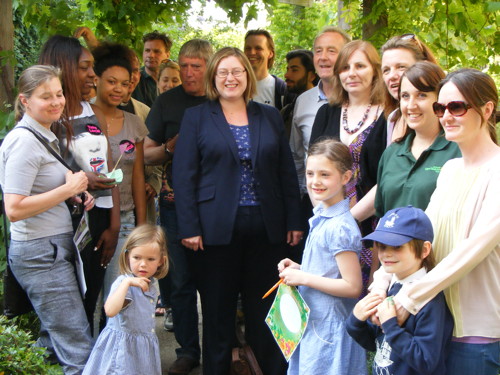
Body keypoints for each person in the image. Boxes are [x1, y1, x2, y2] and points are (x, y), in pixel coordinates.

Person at [173, 47, 302, 375]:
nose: (231, 78)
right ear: (213, 79)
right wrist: (188, 227)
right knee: (218, 315)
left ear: (248, 75)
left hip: (268, 228)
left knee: (267, 314)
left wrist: (293, 220)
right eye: (223, 73)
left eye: (237, 72)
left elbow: (286, 171)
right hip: (214, 231)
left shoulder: (269, 115)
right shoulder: (197, 117)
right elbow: (184, 175)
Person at [372, 68, 500, 375]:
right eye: (441, 108)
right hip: (431, 325)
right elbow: (416, 241)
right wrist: (380, 286)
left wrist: (406, 298)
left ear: (487, 109)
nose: (446, 116)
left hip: (474, 333)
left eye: (457, 107)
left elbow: (470, 253)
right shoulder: (451, 169)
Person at [0, 65, 94, 374]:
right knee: (77, 348)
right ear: (25, 101)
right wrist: (67, 189)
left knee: (53, 345)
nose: (56, 102)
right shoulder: (25, 142)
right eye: (45, 97)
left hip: (51, 247)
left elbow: (42, 190)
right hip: (41, 252)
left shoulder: (45, 135)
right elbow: (14, 208)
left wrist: (74, 195)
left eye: (59, 94)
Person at [38, 35, 120, 332]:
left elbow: (108, 169)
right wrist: (83, 181)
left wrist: (113, 225)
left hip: (98, 222)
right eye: (85, 67)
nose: (93, 75)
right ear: (63, 69)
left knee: (89, 300)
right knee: (66, 311)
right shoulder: (46, 118)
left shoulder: (90, 111)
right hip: (64, 226)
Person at [144, 39, 213, 375]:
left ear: (209, 67)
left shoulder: (223, 99)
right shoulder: (167, 102)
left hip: (217, 206)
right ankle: (188, 351)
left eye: (195, 66)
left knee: (218, 282)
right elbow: (146, 154)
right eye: (183, 65)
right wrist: (170, 149)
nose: (187, 73)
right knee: (182, 282)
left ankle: (221, 348)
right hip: (174, 205)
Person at [278, 139, 366, 375]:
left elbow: (352, 286)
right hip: (315, 323)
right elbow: (329, 269)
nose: (315, 181)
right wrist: (300, 267)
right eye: (310, 173)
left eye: (325, 174)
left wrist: (303, 278)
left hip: (329, 330)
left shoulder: (339, 227)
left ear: (346, 177)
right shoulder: (323, 215)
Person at [309, 40, 387, 291]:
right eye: (345, 67)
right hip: (328, 226)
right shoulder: (327, 113)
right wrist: (329, 220)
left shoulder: (389, 116)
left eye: (360, 66)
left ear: (375, 70)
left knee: (364, 299)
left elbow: (388, 178)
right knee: (327, 292)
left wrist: (347, 220)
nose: (351, 73)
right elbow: (314, 172)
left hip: (372, 225)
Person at [347, 206, 453, 375]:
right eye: (381, 246)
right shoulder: (389, 287)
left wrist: (391, 326)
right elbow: (376, 342)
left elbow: (426, 361)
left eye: (397, 247)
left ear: (424, 250)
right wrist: (355, 321)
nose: (386, 254)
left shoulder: (429, 299)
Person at [352, 62, 461, 222]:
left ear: (440, 100)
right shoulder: (392, 153)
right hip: (391, 246)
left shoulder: (458, 150)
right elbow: (382, 216)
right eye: (405, 96)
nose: (411, 105)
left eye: (421, 95)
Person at [92, 42, 148, 302]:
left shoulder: (134, 123)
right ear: (97, 80)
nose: (119, 89)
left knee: (118, 297)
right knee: (88, 295)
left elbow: (138, 176)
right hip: (90, 218)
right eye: (112, 81)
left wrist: (141, 226)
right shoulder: (81, 118)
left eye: (125, 84)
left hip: (125, 217)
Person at [289, 27, 350, 261]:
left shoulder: (361, 99)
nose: (323, 57)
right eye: (318, 51)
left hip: (356, 206)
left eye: (331, 51)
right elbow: (297, 158)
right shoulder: (303, 101)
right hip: (314, 204)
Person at [83, 224, 169, 375]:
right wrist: (126, 283)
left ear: (161, 261)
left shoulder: (151, 286)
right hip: (123, 354)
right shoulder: (125, 283)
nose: (143, 264)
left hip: (141, 354)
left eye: (150, 259)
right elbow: (110, 310)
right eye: (137, 257)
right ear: (127, 256)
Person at [380, 34, 437, 143]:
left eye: (401, 67)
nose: (392, 76)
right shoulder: (392, 118)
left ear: (424, 66)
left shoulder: (446, 116)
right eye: (386, 70)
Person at [243, 29, 290, 109]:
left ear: (270, 53)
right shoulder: (235, 85)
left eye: (258, 48)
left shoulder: (281, 90)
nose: (252, 52)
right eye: (248, 48)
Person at [281, 49, 317, 138]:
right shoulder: (286, 111)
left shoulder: (324, 108)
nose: (286, 75)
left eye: (294, 70)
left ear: (311, 76)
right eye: (287, 69)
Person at [132, 31, 172, 106]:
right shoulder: (133, 79)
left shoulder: (176, 79)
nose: (150, 55)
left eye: (156, 51)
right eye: (147, 50)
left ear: (167, 55)